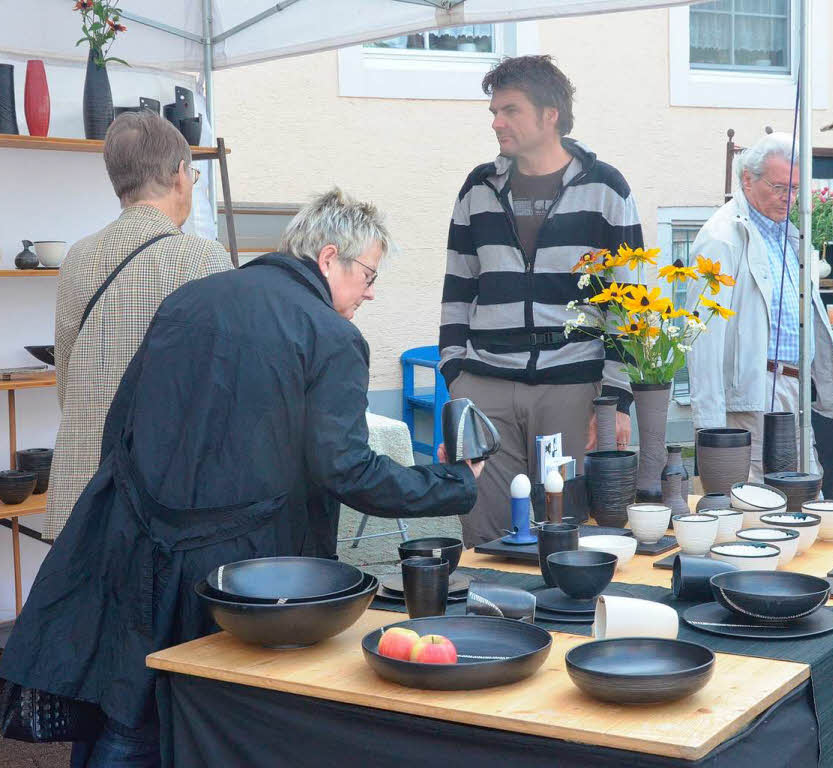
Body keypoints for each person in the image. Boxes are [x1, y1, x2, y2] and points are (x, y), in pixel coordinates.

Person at [0, 188, 483, 766]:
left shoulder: (190, 300)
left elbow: (121, 425)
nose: (371, 290)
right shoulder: (332, 336)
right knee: (214, 715)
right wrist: (454, 483)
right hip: (243, 574)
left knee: (126, 704)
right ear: (330, 257)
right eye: (369, 273)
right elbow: (348, 471)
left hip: (140, 541)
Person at [440, 55, 643, 546]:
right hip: (485, 384)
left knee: (568, 528)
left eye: (509, 110)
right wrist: (454, 372)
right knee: (485, 532)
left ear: (550, 114)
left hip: (572, 387)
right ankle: (489, 618)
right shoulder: (478, 187)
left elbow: (631, 303)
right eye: (494, 111)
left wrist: (615, 399)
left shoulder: (605, 188)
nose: (496, 122)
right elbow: (457, 286)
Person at [45, 110, 233, 541]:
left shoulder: (78, 257)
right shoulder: (204, 259)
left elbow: (66, 383)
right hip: (163, 497)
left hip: (81, 487)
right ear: (181, 175)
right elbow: (217, 390)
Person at [687, 133, 833, 482]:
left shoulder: (786, 234)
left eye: (794, 189)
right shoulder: (722, 237)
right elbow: (703, 339)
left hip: (793, 391)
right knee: (759, 504)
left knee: (804, 494)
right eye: (778, 187)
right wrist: (710, 427)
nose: (787, 198)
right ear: (748, 179)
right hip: (753, 395)